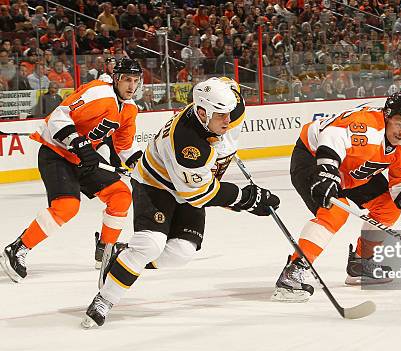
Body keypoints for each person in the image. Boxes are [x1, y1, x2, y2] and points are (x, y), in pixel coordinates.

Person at [81, 77, 279, 328]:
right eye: (221, 116)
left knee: (181, 254)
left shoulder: (220, 113)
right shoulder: (189, 144)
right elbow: (198, 195)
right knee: (150, 245)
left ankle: (121, 256)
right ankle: (104, 299)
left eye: (228, 113)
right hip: (156, 184)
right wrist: (246, 199)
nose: (228, 121)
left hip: (187, 184)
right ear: (202, 112)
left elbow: (225, 84)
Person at [272, 91, 401, 302]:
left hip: (353, 169)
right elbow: (331, 136)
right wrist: (327, 171)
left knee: (390, 207)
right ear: (387, 116)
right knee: (335, 210)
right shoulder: (366, 126)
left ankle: (362, 262)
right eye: (399, 124)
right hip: (314, 158)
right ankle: (293, 271)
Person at [0, 58, 144, 282]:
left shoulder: (129, 109)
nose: (131, 86)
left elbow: (124, 145)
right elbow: (58, 116)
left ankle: (105, 250)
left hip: (83, 159)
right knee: (67, 207)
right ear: (116, 79)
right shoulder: (98, 93)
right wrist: (79, 143)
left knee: (121, 195)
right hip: (56, 153)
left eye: (135, 81)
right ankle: (17, 249)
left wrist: (141, 166)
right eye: (126, 79)